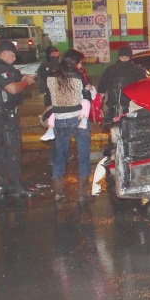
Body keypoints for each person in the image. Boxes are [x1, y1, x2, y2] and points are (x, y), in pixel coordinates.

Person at [0, 40, 37, 198]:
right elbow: (13, 89)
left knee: (1, 149)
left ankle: (2, 184)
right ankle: (16, 185)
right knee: (12, 148)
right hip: (3, 114)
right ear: (5, 53)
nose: (15, 58)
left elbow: (14, 78)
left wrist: (24, 78)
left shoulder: (0, 67)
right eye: (13, 55)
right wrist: (25, 82)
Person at [47, 49, 96, 202]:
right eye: (80, 62)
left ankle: (58, 192)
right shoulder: (78, 75)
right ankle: (82, 193)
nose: (82, 65)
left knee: (60, 155)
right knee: (83, 155)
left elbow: (50, 96)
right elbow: (87, 97)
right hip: (78, 118)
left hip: (59, 119)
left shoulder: (53, 75)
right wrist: (91, 89)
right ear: (75, 62)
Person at [97, 45, 146, 123]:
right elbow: (102, 85)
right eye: (122, 58)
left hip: (131, 103)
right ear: (118, 57)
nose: (124, 60)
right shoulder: (111, 70)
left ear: (130, 58)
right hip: (113, 104)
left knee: (130, 124)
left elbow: (143, 86)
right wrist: (101, 100)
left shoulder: (137, 70)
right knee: (114, 124)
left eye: (126, 58)